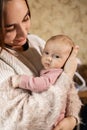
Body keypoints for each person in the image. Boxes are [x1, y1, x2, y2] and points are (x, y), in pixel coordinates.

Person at [0, 0, 81, 130]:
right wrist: (66, 76)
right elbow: (29, 118)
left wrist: (72, 118)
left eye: (26, 18)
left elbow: (69, 90)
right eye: (10, 28)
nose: (24, 33)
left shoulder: (36, 42)